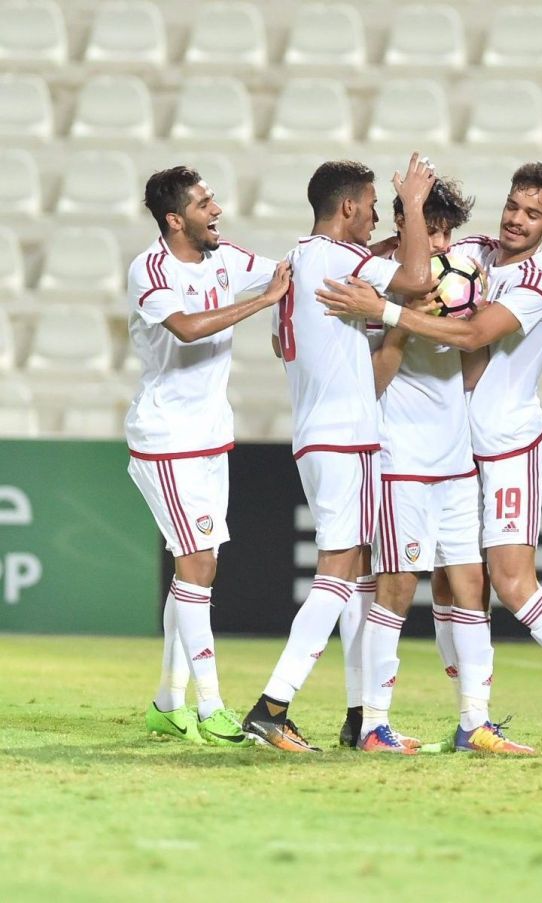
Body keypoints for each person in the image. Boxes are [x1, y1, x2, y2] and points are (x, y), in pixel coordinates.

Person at [317, 162, 542, 757]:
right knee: (453, 586)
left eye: (533, 213)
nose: (518, 220)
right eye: (514, 206)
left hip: (508, 446)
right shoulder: (474, 252)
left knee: (512, 584)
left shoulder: (539, 282)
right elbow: (413, 258)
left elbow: (471, 337)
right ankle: (471, 722)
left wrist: (386, 310)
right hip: (459, 451)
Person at [240, 152, 436, 752]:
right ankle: (273, 706)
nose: (377, 214)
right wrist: (416, 208)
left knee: (352, 581)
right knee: (339, 573)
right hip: (346, 435)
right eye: (374, 205)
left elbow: (286, 339)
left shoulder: (298, 261)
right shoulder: (341, 261)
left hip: (318, 433)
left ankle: (359, 718)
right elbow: (417, 281)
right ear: (348, 206)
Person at [350, 176, 534, 754]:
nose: (441, 242)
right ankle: (374, 723)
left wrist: (458, 328)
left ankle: (473, 722)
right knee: (398, 586)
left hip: (453, 457)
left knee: (471, 583)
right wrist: (402, 317)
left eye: (448, 231)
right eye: (431, 228)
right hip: (399, 456)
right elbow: (373, 382)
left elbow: (473, 360)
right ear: (402, 224)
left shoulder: (461, 276)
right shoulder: (374, 280)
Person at [126, 165, 290, 746]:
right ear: (175, 219)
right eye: (204, 203)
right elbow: (188, 329)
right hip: (166, 440)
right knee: (197, 567)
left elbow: (288, 271)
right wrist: (262, 302)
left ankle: (169, 703)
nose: (216, 210)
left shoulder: (225, 257)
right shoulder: (150, 270)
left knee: (195, 570)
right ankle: (212, 707)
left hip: (209, 438)